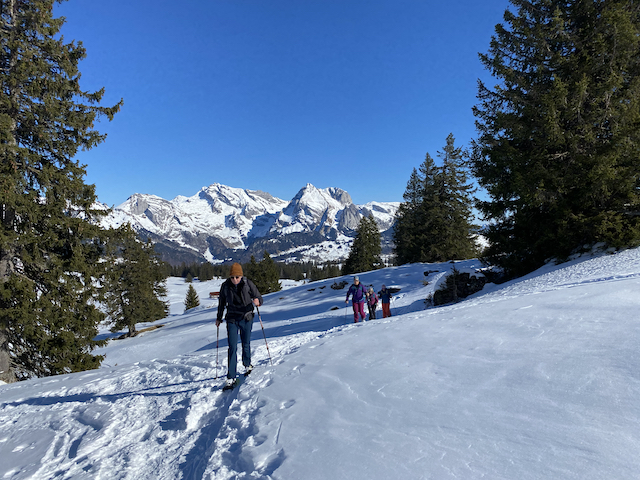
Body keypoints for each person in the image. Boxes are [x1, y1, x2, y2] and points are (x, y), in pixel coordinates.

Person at [216, 263, 263, 388]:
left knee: (245, 343)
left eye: (237, 277)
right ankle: (231, 376)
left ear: (241, 276)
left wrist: (258, 301)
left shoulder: (248, 283)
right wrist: (219, 318)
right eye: (232, 277)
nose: (235, 280)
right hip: (232, 319)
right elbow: (221, 303)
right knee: (232, 347)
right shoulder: (225, 286)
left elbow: (259, 297)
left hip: (246, 318)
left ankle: (247, 365)